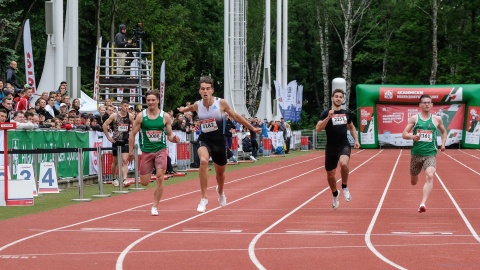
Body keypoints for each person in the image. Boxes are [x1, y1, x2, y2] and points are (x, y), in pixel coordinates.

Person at [177, 76, 261, 213]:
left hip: (219, 143)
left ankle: (220, 192)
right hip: (205, 140)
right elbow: (191, 108)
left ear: (212, 90)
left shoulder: (221, 103)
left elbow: (236, 117)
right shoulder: (198, 105)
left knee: (220, 174)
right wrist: (183, 110)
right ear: (199, 91)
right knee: (203, 161)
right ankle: (204, 198)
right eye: (203, 89)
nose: (205, 91)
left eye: (208, 89)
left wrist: (252, 128)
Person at [128, 90, 180, 216]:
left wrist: (174, 138)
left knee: (160, 177)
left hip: (161, 150)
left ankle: (155, 206)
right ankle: (156, 190)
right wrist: (130, 152)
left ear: (158, 100)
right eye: (148, 100)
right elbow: (132, 134)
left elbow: (169, 134)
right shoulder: (141, 116)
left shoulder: (165, 116)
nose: (150, 102)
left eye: (153, 100)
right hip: (147, 151)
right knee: (144, 182)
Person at [315, 89, 360, 209]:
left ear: (343, 99)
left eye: (341, 97)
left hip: (343, 144)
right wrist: (328, 118)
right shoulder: (326, 113)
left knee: (344, 164)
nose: (338, 98)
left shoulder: (346, 113)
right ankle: (335, 194)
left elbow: (351, 127)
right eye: (336, 96)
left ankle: (344, 186)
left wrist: (356, 140)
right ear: (332, 98)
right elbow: (318, 129)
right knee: (330, 175)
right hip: (331, 147)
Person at [402, 94, 447, 213]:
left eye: (429, 102)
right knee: (413, 182)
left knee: (430, 175)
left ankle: (423, 203)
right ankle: (414, 177)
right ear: (420, 105)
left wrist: (443, 144)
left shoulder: (437, 119)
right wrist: (413, 136)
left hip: (430, 154)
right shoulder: (414, 119)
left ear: (432, 105)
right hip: (416, 154)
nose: (427, 104)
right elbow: (404, 134)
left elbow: (444, 131)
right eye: (424, 102)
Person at [103, 99, 134, 187]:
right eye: (125, 106)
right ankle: (114, 178)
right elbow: (105, 125)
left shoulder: (130, 116)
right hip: (116, 141)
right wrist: (108, 137)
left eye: (127, 106)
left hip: (125, 140)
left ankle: (124, 179)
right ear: (120, 106)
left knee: (124, 160)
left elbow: (135, 125)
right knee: (115, 161)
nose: (126, 108)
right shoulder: (114, 115)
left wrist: (132, 134)